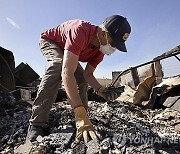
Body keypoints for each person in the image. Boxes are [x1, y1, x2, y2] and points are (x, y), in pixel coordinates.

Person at [26, 15, 131, 143]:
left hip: (68, 51)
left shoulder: (99, 53)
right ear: (103, 34)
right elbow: (67, 72)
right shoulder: (80, 31)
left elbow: (88, 75)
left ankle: (83, 117)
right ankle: (37, 123)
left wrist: (100, 89)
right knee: (58, 65)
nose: (113, 49)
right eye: (114, 43)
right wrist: (78, 111)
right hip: (51, 42)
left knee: (81, 78)